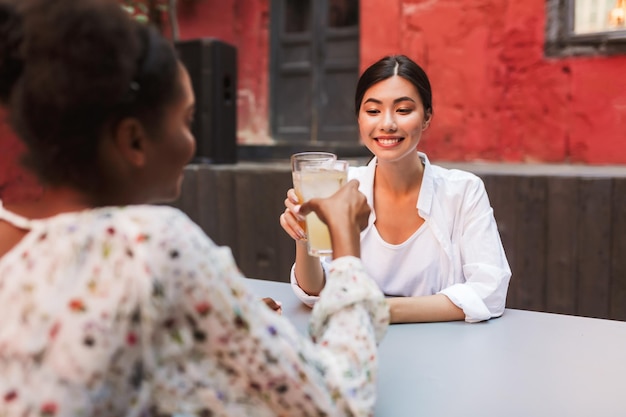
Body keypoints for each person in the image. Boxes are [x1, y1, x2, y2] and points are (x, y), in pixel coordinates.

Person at [0, 1, 389, 416]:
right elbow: (336, 401)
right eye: (186, 120)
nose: (193, 141)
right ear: (133, 140)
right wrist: (347, 244)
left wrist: (218, 315)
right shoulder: (147, 245)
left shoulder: (13, 239)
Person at [280, 55, 511, 324]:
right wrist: (304, 233)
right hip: (360, 349)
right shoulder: (340, 187)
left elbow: (490, 291)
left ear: (426, 117)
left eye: (403, 110)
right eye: (373, 111)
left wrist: (379, 310)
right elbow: (315, 291)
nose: (387, 124)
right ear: (359, 119)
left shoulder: (462, 192)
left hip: (444, 348)